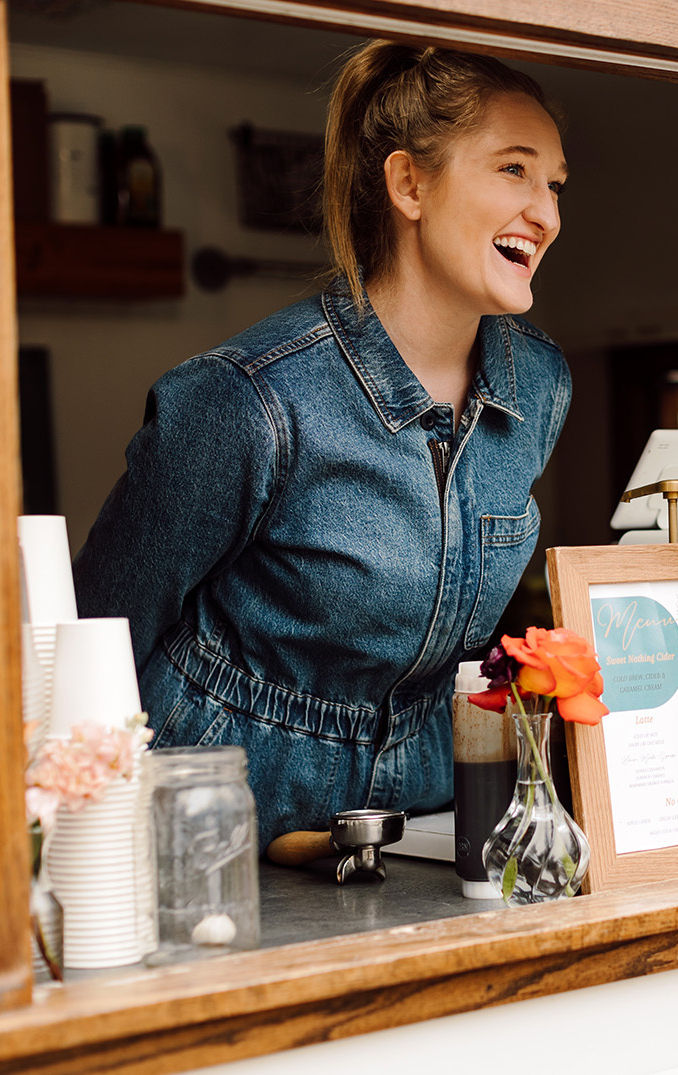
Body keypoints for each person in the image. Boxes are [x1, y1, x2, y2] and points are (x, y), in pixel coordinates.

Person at [73, 41, 570, 861]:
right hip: (210, 819)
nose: (546, 212)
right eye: (514, 170)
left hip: (422, 819)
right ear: (409, 184)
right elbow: (96, 641)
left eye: (554, 183)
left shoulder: (539, 385)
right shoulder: (250, 397)